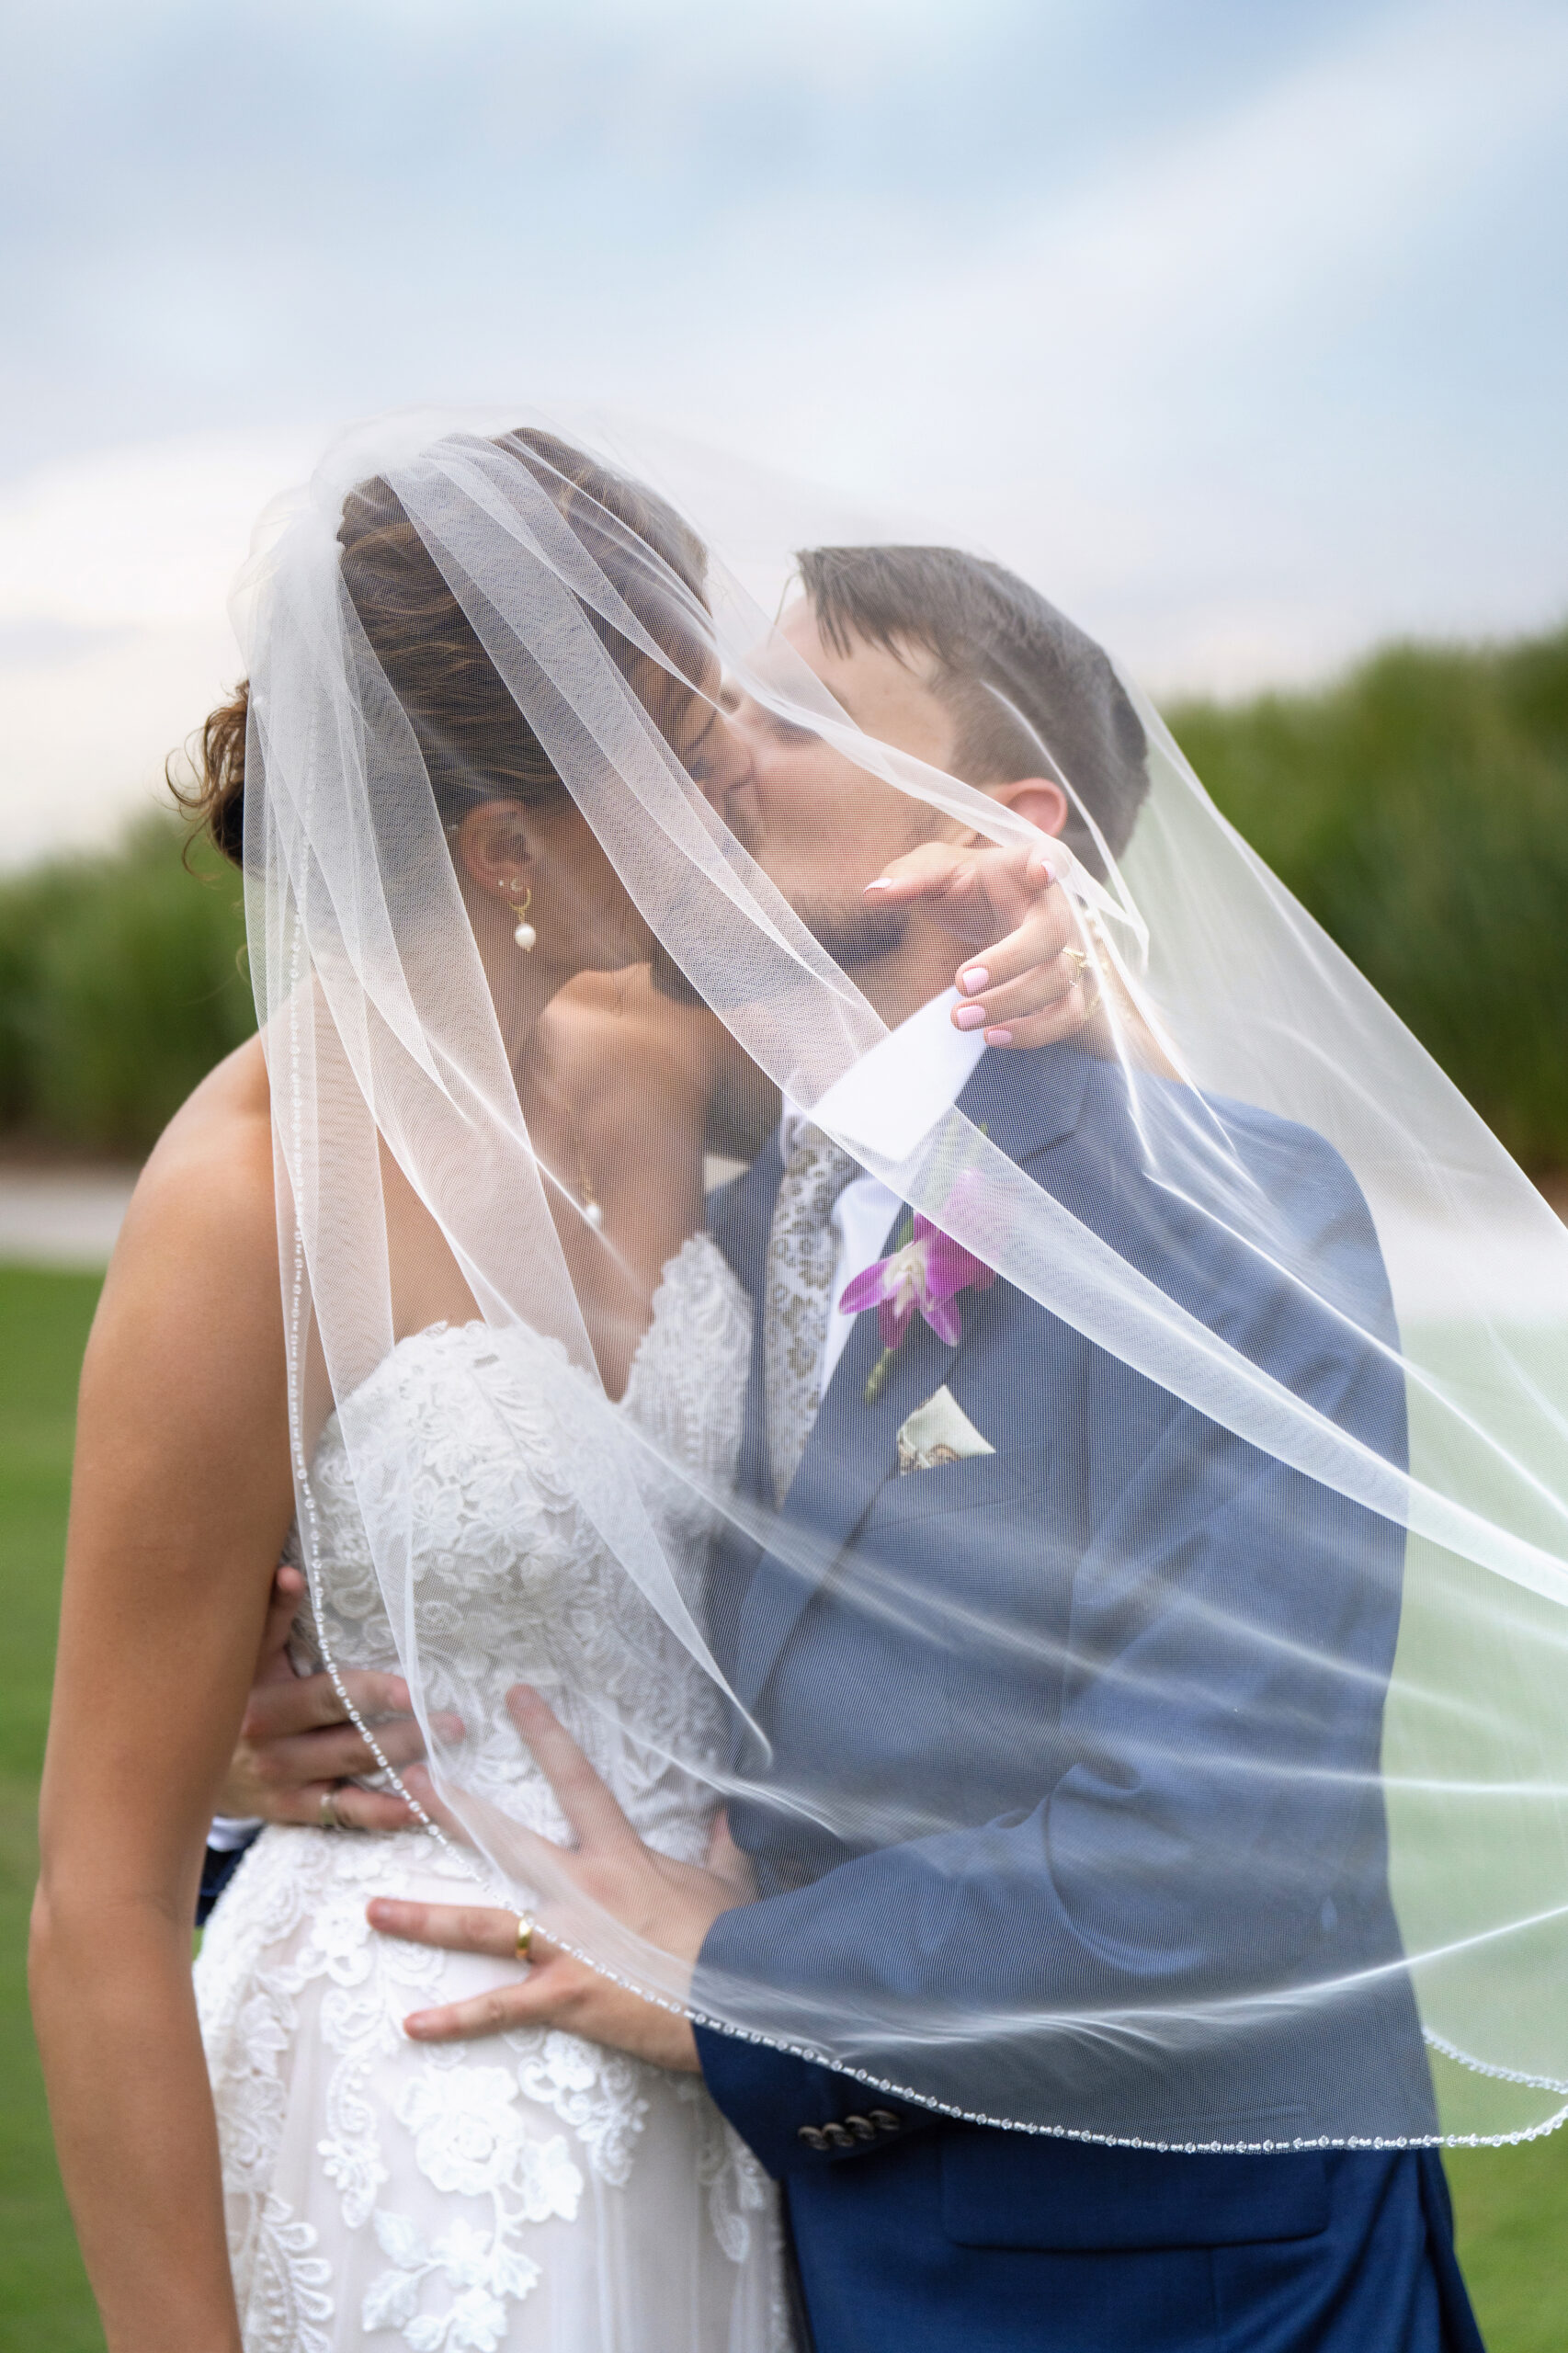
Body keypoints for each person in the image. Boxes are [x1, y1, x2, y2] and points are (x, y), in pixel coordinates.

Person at [359, 544, 1489, 2351]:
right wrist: (301, 1714)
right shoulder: (738, 1237)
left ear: (1000, 829)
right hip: (818, 2263)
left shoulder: (1216, 1217)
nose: (711, 751)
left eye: (791, 715)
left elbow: (1199, 1858)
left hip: (1181, 2289)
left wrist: (731, 1984)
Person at [28, 427, 1087, 2353]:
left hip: (707, 2101)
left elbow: (979, 1074)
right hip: (406, 2098)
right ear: (509, 852)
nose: (735, 780)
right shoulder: (251, 1197)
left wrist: (1042, 945)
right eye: (677, 756)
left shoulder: (668, 1062)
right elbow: (96, 1895)